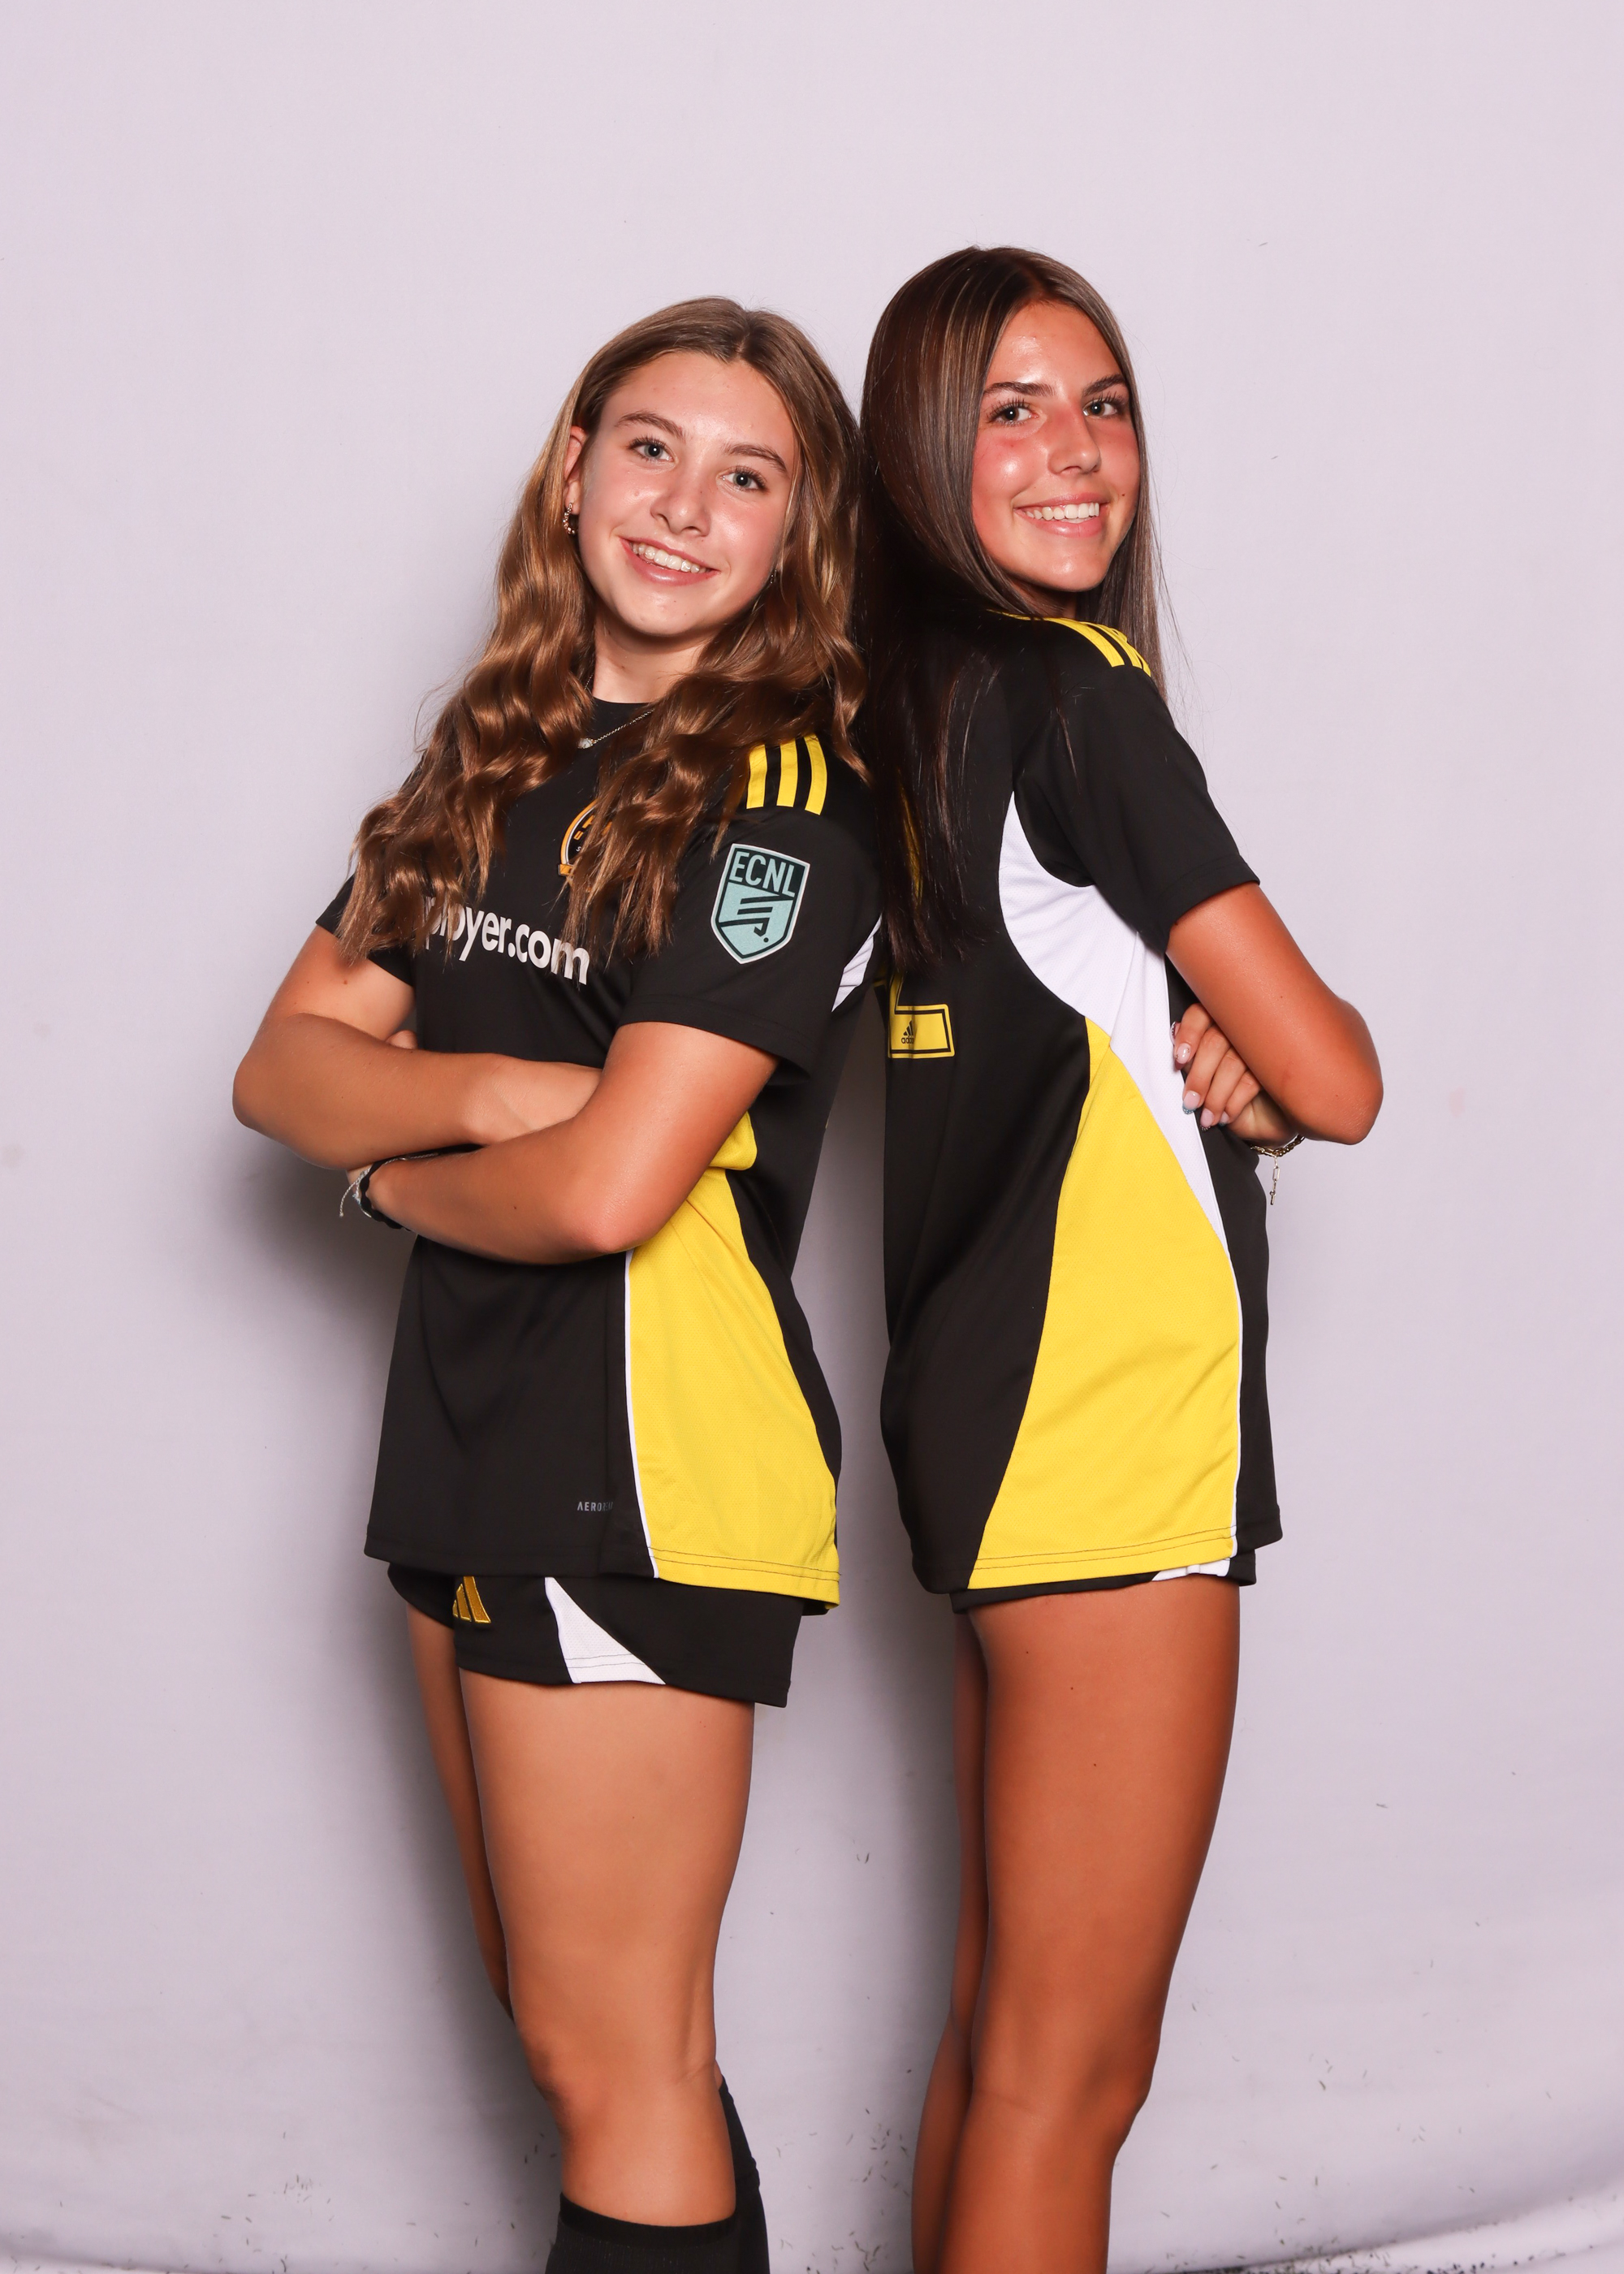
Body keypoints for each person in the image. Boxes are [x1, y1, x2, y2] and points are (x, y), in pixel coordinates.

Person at [234, 299, 880, 2274]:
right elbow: (279, 1066)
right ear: (575, 461)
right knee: (583, 2040)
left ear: (796, 534)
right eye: (652, 447)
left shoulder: (780, 797)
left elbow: (610, 1195)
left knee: (620, 2061)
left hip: (641, 1461)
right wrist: (483, 1094)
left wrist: (382, 1168)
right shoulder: (494, 744)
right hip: (466, 1428)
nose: (684, 505)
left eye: (748, 476)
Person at [855, 247, 1382, 2274]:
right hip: (1102, 1415)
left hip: (980, 1406)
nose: (1074, 451)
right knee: (1068, 2074)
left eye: (1103, 404)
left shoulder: (912, 702)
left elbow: (1086, 1032)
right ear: (925, 449)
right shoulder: (1078, 702)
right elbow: (1338, 1073)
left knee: (1002, 2039)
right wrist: (1268, 1057)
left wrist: (1220, 1046)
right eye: (1009, 410)